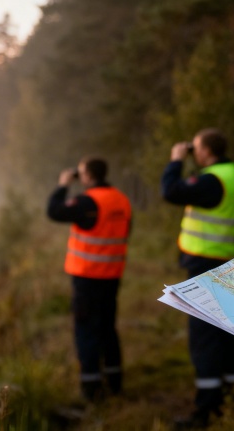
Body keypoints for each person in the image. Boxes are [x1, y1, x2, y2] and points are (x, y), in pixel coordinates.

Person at [162, 127, 234, 429]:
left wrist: (176, 160)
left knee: (204, 337)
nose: (193, 153)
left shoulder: (212, 180)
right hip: (228, 261)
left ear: (206, 151)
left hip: (205, 265)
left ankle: (207, 407)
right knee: (227, 330)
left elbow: (171, 191)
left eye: (195, 148)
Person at [47, 157, 132, 403]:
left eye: (80, 173)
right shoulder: (121, 199)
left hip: (87, 277)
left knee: (86, 331)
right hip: (112, 275)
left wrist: (63, 185)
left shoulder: (87, 202)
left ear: (87, 176)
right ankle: (114, 382)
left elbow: (54, 210)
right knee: (107, 328)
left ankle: (91, 389)